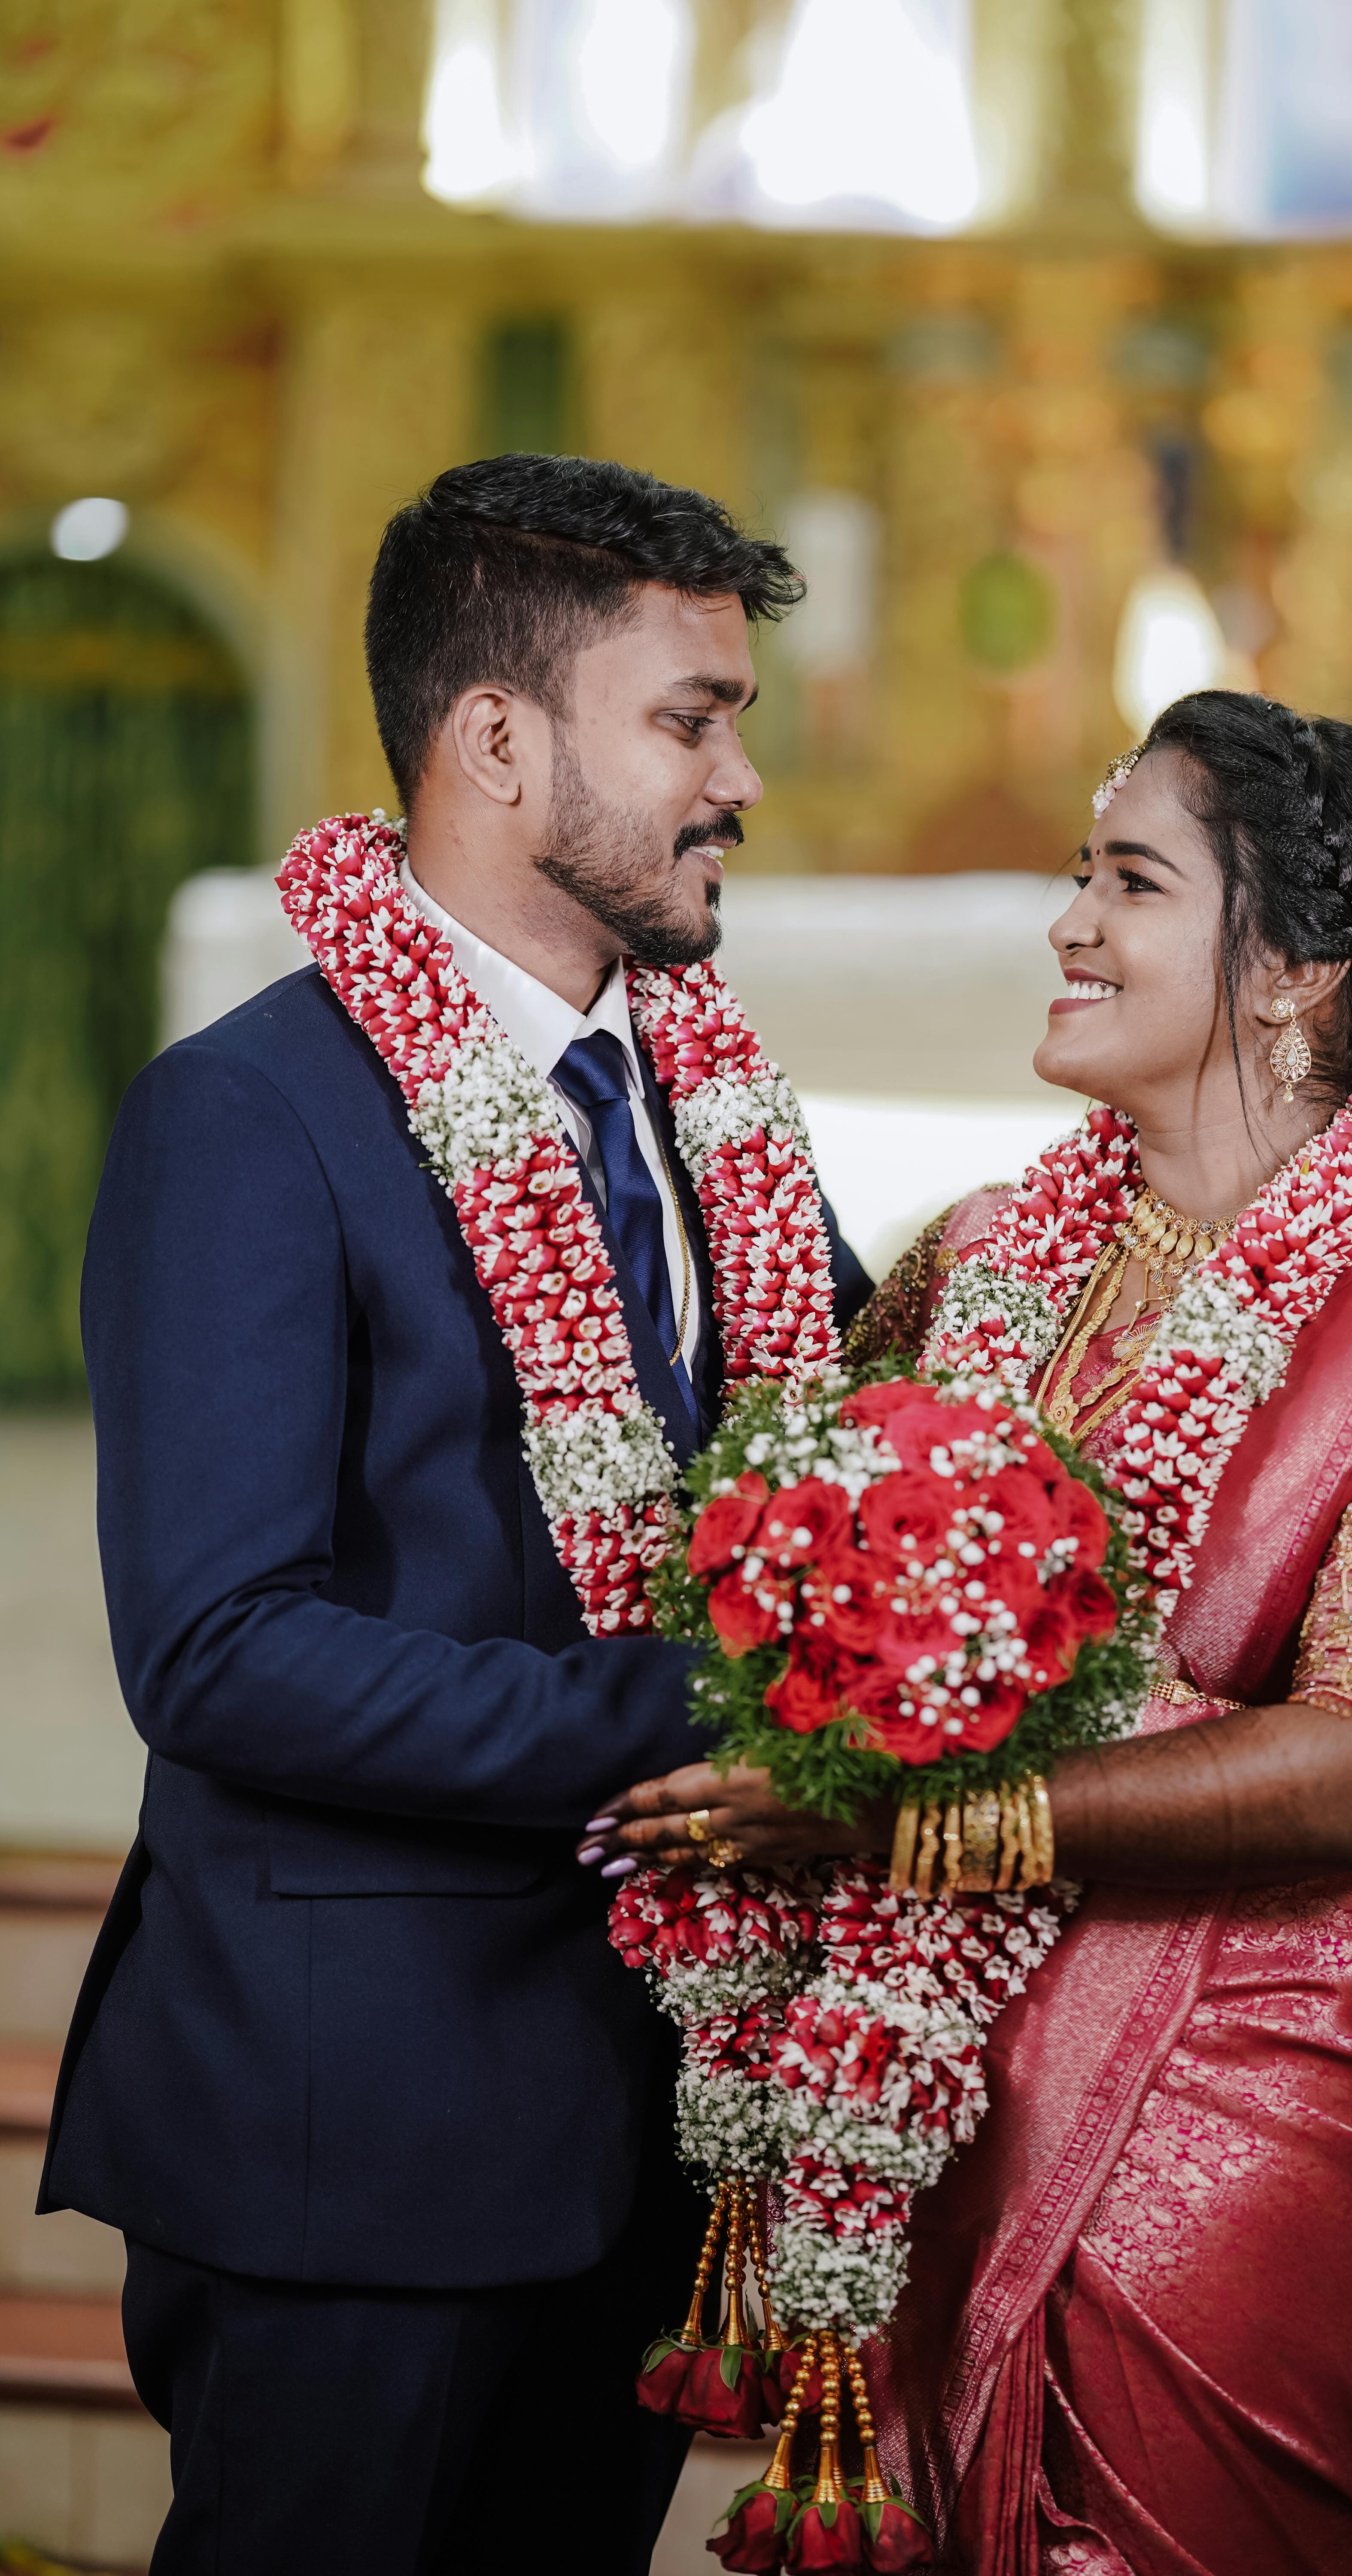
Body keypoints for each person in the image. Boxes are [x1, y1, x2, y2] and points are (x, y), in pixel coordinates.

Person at [587, 693, 1352, 2575]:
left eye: (1128, 882)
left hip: (1236, 2093)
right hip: (916, 2078)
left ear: (1297, 970)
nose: (1067, 923)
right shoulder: (981, 1261)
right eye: (1080, 873)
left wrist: (908, 1823)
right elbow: (779, 1543)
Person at [39, 453, 871, 2576]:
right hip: (360, 2123)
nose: (740, 779)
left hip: (650, 2118)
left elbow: (851, 1461)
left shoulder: (713, 1118)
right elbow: (218, 1653)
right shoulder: (249, 1114)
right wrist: (713, 1711)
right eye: (691, 717)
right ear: (497, 741)